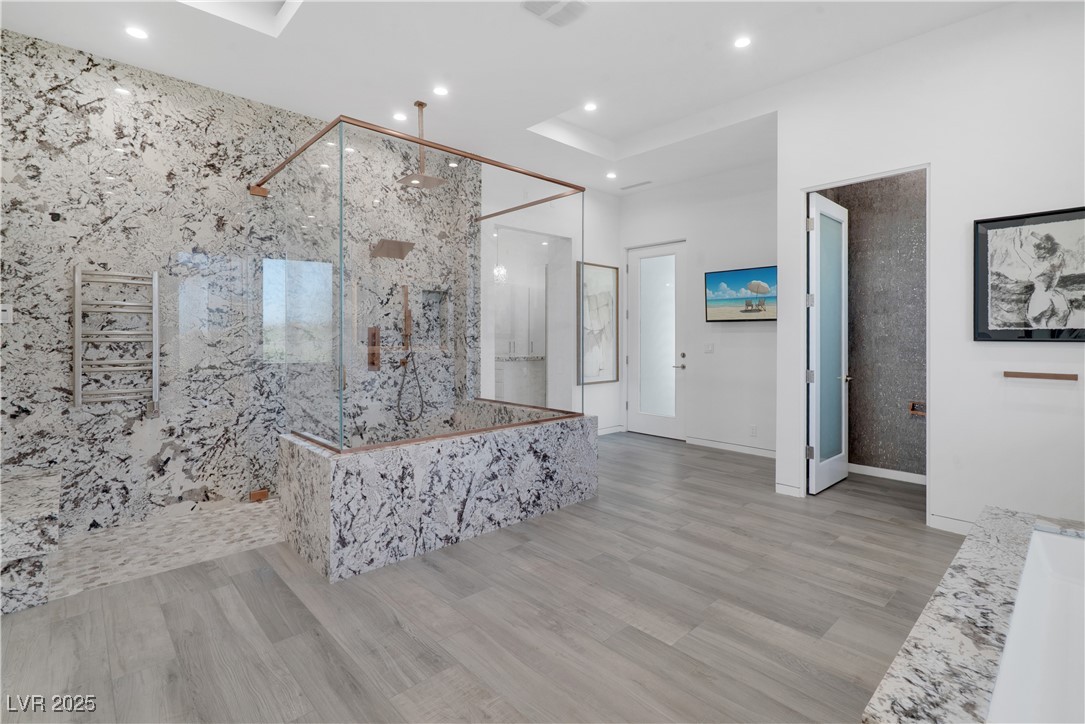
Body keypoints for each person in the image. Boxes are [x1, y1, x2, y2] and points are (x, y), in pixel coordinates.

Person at [1015, 230, 1070, 328]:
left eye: (1038, 250)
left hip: (1041, 297)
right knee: (1058, 317)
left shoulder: (1038, 263)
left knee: (1035, 320)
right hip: (1051, 295)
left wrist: (1018, 238)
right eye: (1035, 250)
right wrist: (1033, 234)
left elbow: (1018, 249)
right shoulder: (1056, 259)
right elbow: (1054, 245)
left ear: (1045, 250)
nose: (1035, 252)